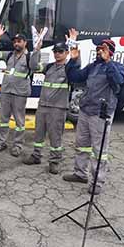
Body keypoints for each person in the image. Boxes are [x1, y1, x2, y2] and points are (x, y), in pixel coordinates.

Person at [63, 36, 124, 195]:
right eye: (98, 49)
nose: (99, 51)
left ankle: (97, 183)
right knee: (82, 144)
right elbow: (74, 77)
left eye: (103, 49)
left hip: (101, 114)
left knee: (99, 151)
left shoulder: (117, 67)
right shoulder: (92, 67)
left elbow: (118, 82)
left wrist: (108, 62)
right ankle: (80, 173)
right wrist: (73, 59)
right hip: (85, 111)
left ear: (110, 51)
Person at [23, 32, 77, 174]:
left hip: (58, 109)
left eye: (60, 51)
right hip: (43, 106)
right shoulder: (49, 67)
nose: (57, 54)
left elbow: (76, 63)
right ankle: (36, 156)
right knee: (38, 134)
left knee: (55, 136)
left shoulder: (69, 69)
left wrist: (73, 44)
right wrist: (37, 49)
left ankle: (54, 162)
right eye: (55, 51)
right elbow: (33, 66)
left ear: (66, 53)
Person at [0, 32, 32, 156]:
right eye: (15, 41)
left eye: (19, 41)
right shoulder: (9, 55)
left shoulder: (29, 57)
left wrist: (37, 48)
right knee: (3, 119)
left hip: (20, 93)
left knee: (19, 121)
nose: (16, 43)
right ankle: (1, 142)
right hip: (6, 91)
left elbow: (36, 66)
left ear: (25, 43)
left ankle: (18, 145)